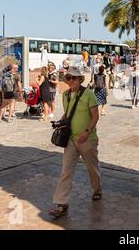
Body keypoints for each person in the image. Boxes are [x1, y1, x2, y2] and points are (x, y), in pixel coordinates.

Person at [49, 66, 102, 218]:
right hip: (71, 139)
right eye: (68, 78)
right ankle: (61, 204)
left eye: (74, 78)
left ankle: (97, 189)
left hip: (87, 139)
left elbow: (95, 116)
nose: (71, 80)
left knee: (92, 168)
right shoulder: (65, 95)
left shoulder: (89, 94)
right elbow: (68, 112)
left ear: (80, 79)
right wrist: (60, 122)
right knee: (66, 171)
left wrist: (87, 132)